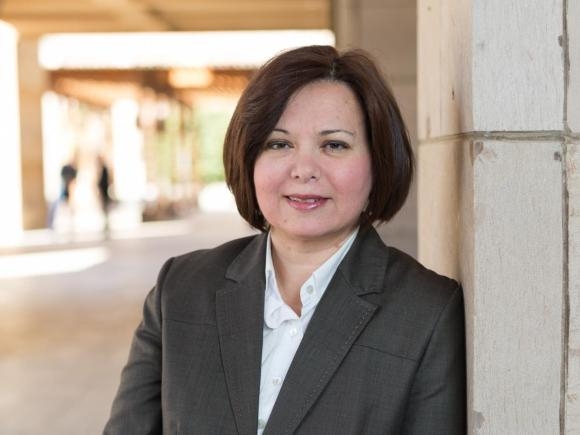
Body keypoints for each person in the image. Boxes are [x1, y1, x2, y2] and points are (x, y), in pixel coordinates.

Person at [104, 45, 466, 434]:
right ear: (249, 158)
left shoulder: (426, 311)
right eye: (279, 144)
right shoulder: (181, 288)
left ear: (378, 162)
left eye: (334, 145)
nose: (304, 169)